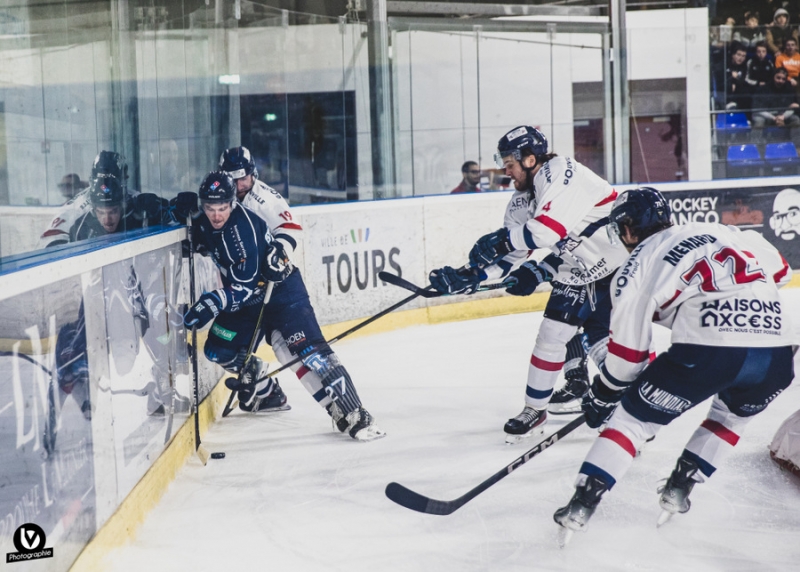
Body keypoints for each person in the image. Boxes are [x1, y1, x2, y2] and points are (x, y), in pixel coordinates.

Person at [553, 188, 795, 540]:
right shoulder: (722, 231)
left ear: (628, 229)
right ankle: (680, 487)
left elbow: (628, 358)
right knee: (731, 416)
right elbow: (782, 270)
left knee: (632, 422)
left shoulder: (637, 264)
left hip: (710, 350)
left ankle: (581, 504)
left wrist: (603, 395)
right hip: (778, 353)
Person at [433, 126, 629, 443]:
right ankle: (535, 410)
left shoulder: (562, 172)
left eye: (510, 163)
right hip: (575, 271)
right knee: (550, 338)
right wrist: (472, 274)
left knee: (606, 347)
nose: (505, 170)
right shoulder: (519, 202)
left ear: (530, 159)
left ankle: (623, 414)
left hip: (618, 266)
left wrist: (499, 242)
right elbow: (514, 254)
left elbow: (545, 232)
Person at [183, 170, 384, 441]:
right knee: (218, 348)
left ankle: (353, 413)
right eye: (210, 208)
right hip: (248, 304)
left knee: (302, 350)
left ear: (232, 203)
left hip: (282, 294)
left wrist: (211, 301)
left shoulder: (244, 231)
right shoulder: (205, 222)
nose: (216, 214)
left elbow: (242, 286)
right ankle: (265, 393)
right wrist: (168, 208)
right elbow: (197, 237)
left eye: (222, 208)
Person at [39, 151, 134, 248]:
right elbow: (51, 240)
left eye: (113, 181)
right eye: (103, 181)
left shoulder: (133, 196)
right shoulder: (79, 205)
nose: (106, 186)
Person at [723, 43, 750, 109]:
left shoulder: (743, 66)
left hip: (737, 93)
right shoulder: (724, 64)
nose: (741, 58)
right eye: (738, 55)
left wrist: (735, 81)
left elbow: (742, 80)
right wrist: (730, 76)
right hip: (724, 92)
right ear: (733, 55)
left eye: (743, 56)